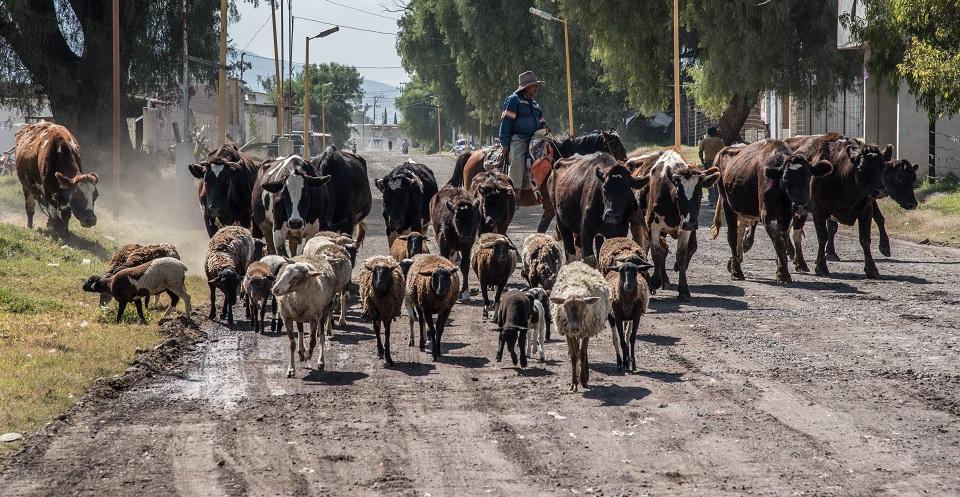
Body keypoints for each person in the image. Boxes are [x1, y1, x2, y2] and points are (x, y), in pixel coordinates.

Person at [499, 71, 547, 204]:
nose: (536, 88)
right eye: (533, 86)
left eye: (536, 86)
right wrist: (505, 144)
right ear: (525, 88)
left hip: (536, 139)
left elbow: (541, 121)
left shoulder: (535, 104)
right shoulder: (514, 100)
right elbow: (506, 122)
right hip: (519, 139)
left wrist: (545, 126)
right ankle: (515, 192)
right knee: (517, 158)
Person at [699, 126, 725, 206]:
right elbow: (723, 151)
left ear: (708, 133)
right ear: (716, 132)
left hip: (708, 162)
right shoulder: (721, 141)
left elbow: (700, 151)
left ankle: (711, 200)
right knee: (718, 179)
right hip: (718, 162)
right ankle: (718, 200)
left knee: (709, 180)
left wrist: (702, 160)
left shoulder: (705, 141)